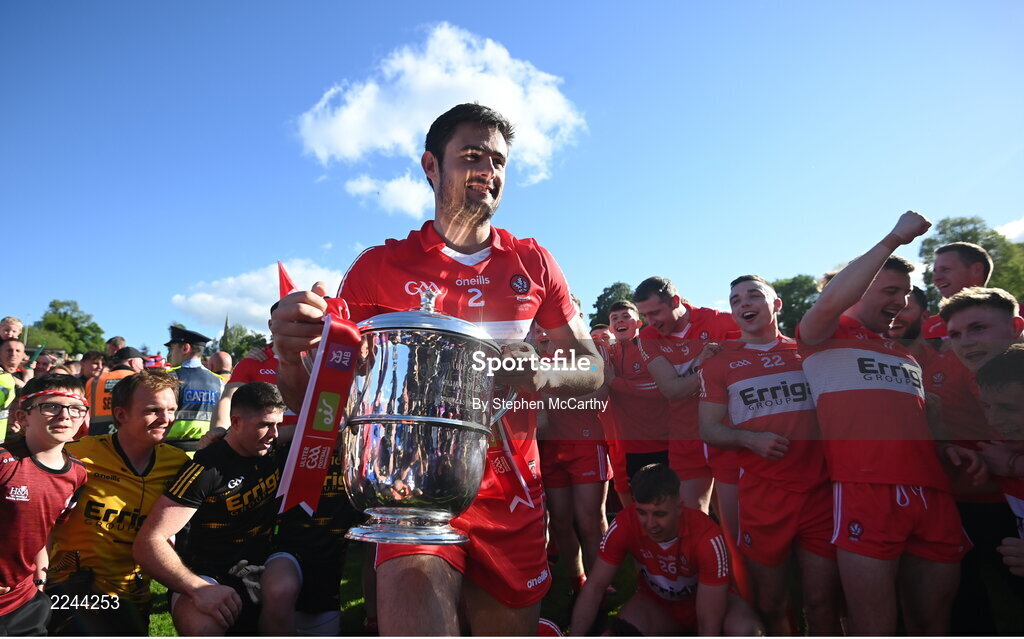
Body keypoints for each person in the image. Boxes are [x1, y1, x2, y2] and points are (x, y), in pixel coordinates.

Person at [270, 103, 603, 635]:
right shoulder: (379, 267)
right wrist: (291, 353)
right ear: (431, 166)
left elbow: (590, 370)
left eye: (498, 161)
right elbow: (312, 399)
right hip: (412, 494)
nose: (488, 172)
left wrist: (539, 369)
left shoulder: (533, 262)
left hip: (512, 493)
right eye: (472, 156)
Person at [797, 210, 972, 635]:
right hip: (865, 491)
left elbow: (917, 424)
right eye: (891, 290)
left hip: (933, 493)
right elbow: (830, 301)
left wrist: (946, 447)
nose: (902, 303)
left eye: (908, 294)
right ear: (856, 290)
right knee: (875, 626)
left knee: (933, 623)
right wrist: (894, 239)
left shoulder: (905, 354)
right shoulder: (823, 334)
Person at [698, 275, 839, 634]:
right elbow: (709, 428)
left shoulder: (808, 352)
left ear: (776, 305)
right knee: (772, 603)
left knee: (823, 603)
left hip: (820, 494)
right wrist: (749, 439)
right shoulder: (720, 362)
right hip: (764, 498)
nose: (744, 303)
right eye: (735, 300)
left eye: (753, 295)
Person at [133, 382, 284, 635]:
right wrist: (197, 588)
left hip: (265, 564)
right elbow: (148, 542)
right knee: (200, 623)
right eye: (265, 425)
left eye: (278, 424)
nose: (275, 433)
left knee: (284, 591)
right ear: (236, 422)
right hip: (208, 573)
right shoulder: (205, 469)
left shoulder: (271, 449)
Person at [47, 370, 188, 636]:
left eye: (171, 409)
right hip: (74, 591)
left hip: (135, 596)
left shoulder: (178, 463)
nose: (166, 419)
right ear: (121, 415)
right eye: (153, 410)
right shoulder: (78, 455)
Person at [569, 464, 762, 636]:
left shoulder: (707, 537)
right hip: (658, 606)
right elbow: (594, 588)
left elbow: (708, 624)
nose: (651, 524)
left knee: (745, 631)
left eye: (659, 514)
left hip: (711, 605)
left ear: (679, 507)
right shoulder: (624, 523)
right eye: (642, 512)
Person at [633, 276, 739, 522]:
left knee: (736, 522)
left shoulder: (719, 320)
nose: (650, 322)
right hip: (685, 438)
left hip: (727, 433)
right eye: (645, 315)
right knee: (692, 522)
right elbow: (671, 390)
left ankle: (733, 561)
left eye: (655, 313)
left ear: (675, 301)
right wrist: (703, 366)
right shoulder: (648, 336)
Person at [0, 374, 89, 635]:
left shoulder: (77, 474)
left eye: (75, 408)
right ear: (23, 416)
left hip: (24, 601)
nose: (65, 416)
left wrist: (40, 580)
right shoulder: (5, 462)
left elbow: (43, 531)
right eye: (51, 406)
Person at [534, 322, 611, 596]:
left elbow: (600, 395)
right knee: (561, 521)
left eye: (549, 328)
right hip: (551, 450)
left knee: (590, 520)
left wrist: (552, 401)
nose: (543, 334)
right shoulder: (534, 360)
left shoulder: (587, 355)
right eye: (538, 329)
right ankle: (577, 581)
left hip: (586, 444)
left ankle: (600, 587)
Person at [975, 345, 1024, 580]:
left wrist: (1014, 465)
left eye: (1008, 408)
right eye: (987, 407)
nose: (993, 420)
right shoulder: (999, 454)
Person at [165, 326, 224, 452]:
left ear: (185, 348)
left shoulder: (169, 377)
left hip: (171, 453)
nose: (170, 354)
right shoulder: (219, 381)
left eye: (172, 348)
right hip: (205, 454)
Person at [923, 242, 995, 339]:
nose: (936, 278)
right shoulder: (926, 330)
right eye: (935, 272)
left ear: (976, 270)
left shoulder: (1015, 316)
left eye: (945, 269)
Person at [85, 346, 144, 436]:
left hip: (97, 435)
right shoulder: (141, 380)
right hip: (131, 435)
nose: (143, 367)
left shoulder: (93, 381)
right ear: (133, 362)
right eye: (142, 363)